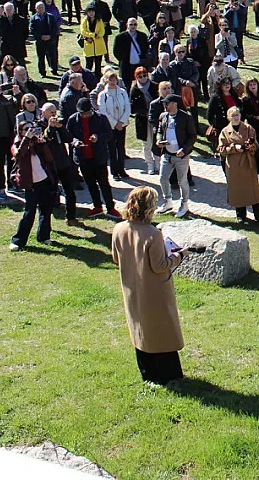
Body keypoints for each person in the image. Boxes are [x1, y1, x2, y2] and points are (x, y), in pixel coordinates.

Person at [112, 186, 193, 385]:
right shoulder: (152, 234)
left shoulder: (119, 228)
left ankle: (148, 374)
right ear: (149, 208)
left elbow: (116, 258)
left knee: (139, 328)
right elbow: (160, 266)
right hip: (154, 290)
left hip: (131, 288)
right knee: (162, 331)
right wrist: (180, 255)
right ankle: (169, 375)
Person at [8, 122, 59, 249]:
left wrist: (42, 143)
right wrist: (27, 139)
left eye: (32, 128)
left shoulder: (38, 143)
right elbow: (18, 155)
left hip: (44, 181)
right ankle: (18, 241)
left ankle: (44, 236)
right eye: (27, 129)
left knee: (46, 210)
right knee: (29, 212)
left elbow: (49, 158)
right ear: (21, 132)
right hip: (30, 185)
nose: (31, 131)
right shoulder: (17, 144)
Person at [67, 98, 118, 219]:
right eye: (82, 114)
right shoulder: (73, 120)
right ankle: (97, 206)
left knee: (104, 183)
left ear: (92, 110)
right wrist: (75, 142)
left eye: (87, 113)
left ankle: (110, 207)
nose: (85, 116)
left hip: (99, 157)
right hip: (83, 157)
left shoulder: (101, 118)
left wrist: (98, 137)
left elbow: (109, 134)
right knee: (90, 184)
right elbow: (68, 136)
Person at [217, 106, 259, 223]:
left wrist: (251, 146)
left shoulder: (248, 128)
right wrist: (234, 148)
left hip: (248, 164)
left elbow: (256, 145)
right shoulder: (225, 132)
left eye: (237, 115)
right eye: (233, 115)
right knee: (237, 191)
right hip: (233, 166)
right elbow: (221, 149)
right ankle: (241, 216)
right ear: (229, 117)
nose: (236, 117)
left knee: (253, 190)